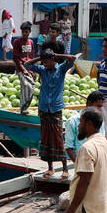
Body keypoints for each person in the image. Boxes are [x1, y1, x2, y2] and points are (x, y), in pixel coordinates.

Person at [30, 49, 76, 177]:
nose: (44, 64)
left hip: (55, 109)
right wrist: (40, 58)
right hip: (44, 108)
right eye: (43, 62)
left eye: (46, 61)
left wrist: (57, 55)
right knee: (46, 139)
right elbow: (27, 64)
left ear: (53, 60)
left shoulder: (61, 69)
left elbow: (72, 58)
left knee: (58, 138)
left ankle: (65, 169)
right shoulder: (42, 70)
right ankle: (50, 168)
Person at [64, 90, 105, 156]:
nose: (100, 109)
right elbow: (69, 147)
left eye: (101, 107)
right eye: (98, 106)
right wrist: (78, 163)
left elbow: (102, 139)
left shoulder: (99, 119)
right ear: (89, 104)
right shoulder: (72, 121)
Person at [12, 22, 38, 114]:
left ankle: (26, 107)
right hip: (20, 69)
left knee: (32, 87)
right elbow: (16, 58)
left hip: (29, 68)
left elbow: (31, 57)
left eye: (26, 32)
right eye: (23, 32)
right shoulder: (17, 42)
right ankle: (23, 109)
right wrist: (23, 70)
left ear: (29, 32)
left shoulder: (31, 42)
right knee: (26, 86)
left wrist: (33, 70)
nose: (24, 34)